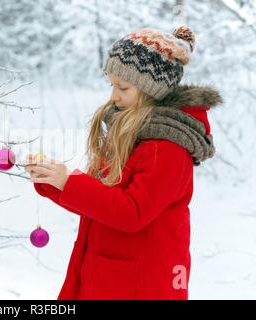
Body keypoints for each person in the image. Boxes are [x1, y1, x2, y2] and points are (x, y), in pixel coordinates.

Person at [24, 26, 223, 300]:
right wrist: (54, 181)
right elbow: (100, 198)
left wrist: (69, 182)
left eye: (123, 87)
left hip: (141, 283)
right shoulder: (128, 131)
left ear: (150, 90)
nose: (114, 96)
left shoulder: (168, 148)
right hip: (106, 273)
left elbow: (131, 212)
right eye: (111, 85)